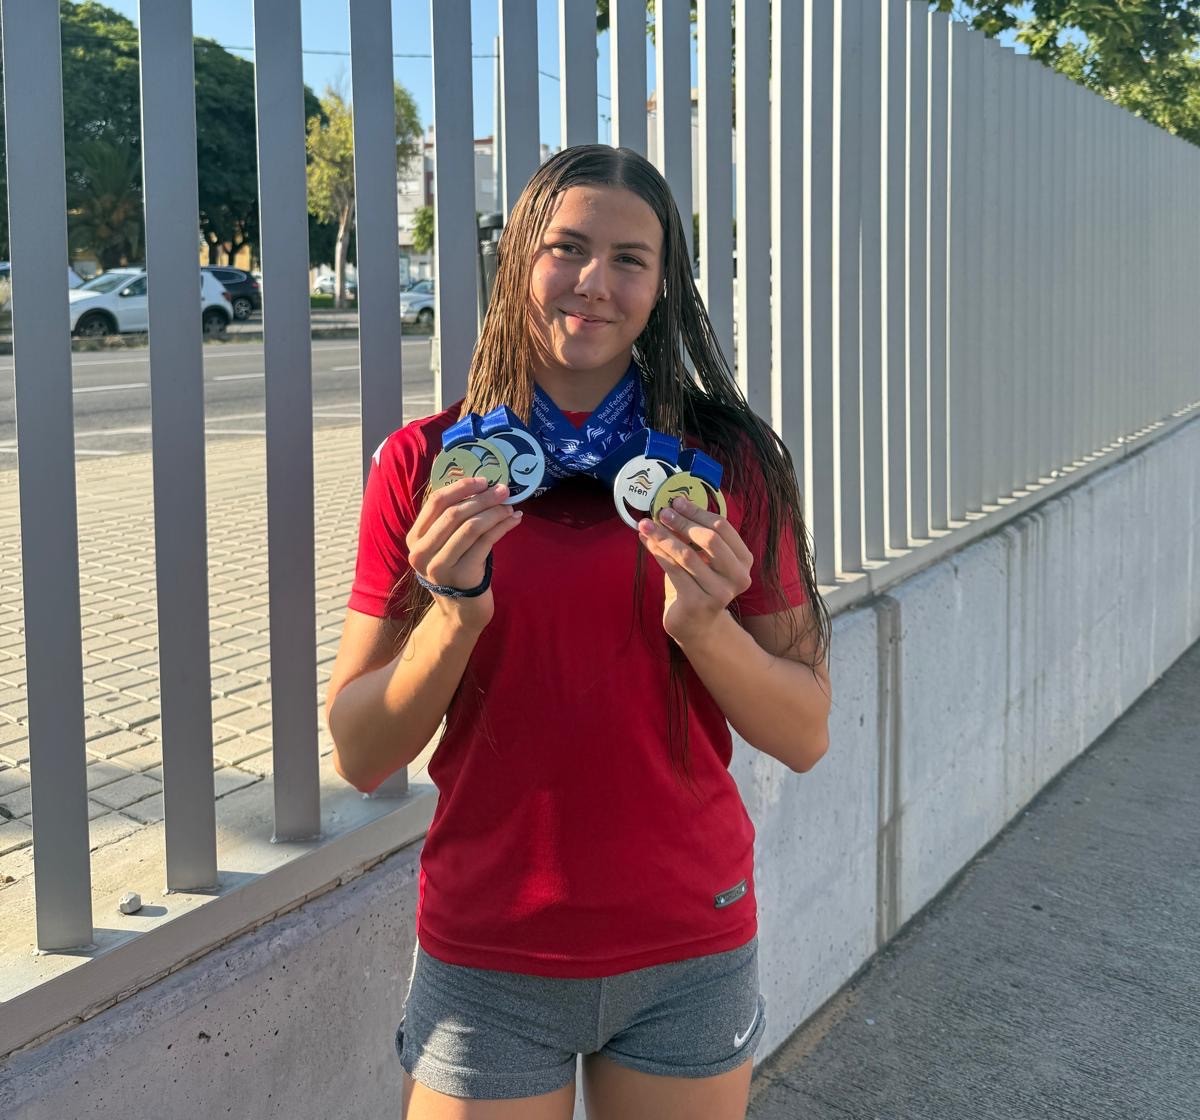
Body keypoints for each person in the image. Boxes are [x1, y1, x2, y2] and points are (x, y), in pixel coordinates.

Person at [325, 144, 832, 1120]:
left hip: (688, 942)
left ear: (662, 285)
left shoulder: (726, 463)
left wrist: (704, 626)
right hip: (489, 951)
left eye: (629, 259)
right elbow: (358, 748)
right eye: (567, 248)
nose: (595, 283)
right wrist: (456, 612)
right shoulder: (426, 465)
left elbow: (805, 732)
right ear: (520, 261)